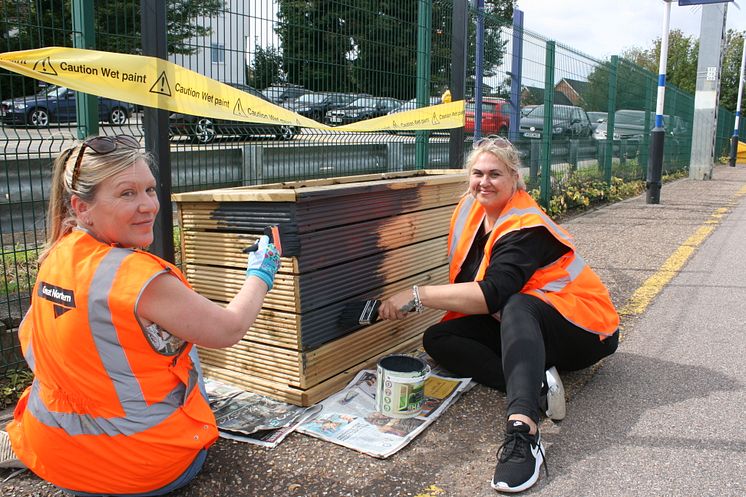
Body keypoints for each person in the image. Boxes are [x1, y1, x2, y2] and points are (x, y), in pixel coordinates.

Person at [0, 135, 281, 496]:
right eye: (127, 194)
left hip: (55, 453)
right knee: (185, 356)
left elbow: (33, 339)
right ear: (81, 207)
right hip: (136, 466)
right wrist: (261, 272)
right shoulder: (138, 279)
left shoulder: (58, 253)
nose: (148, 205)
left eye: (150, 190)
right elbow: (228, 329)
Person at [378, 136, 619, 493]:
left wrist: (416, 294)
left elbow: (493, 293)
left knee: (517, 302)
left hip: (583, 329)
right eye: (477, 173)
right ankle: (534, 384)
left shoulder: (526, 225)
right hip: (523, 327)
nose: (484, 182)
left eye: (495, 174)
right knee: (439, 338)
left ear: (514, 179)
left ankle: (524, 431)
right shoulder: (472, 208)